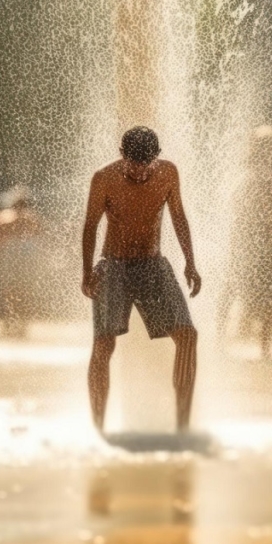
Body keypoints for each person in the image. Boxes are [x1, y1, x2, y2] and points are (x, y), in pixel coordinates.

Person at [82, 126, 201, 433]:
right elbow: (91, 226)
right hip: (114, 267)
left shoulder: (168, 173)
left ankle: (183, 428)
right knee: (103, 344)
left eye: (145, 163)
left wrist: (190, 262)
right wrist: (86, 272)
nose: (139, 171)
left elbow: (178, 216)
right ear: (122, 156)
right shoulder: (104, 178)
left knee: (187, 335)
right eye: (133, 164)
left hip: (152, 264)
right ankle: (98, 428)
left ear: (155, 158)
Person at [218, 126, 272, 358]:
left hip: (254, 236)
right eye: (269, 146)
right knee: (244, 286)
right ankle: (256, 344)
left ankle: (231, 341)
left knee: (249, 286)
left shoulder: (253, 172)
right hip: (253, 237)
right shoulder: (258, 174)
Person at [0, 188, 42, 339]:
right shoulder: (32, 218)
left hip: (15, 253)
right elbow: (40, 234)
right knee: (23, 290)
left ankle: (11, 324)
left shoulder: (5, 217)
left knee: (11, 291)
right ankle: (20, 325)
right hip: (26, 253)